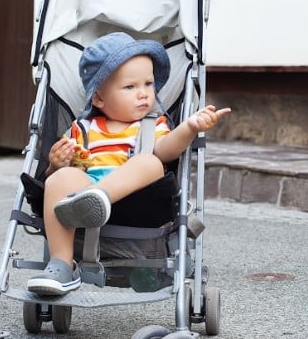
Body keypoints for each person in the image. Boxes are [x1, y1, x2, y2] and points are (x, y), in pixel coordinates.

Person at [27, 32, 230, 296]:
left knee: (151, 162)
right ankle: (62, 265)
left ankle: (98, 197)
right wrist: (56, 164)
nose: (144, 94)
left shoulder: (151, 125)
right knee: (58, 179)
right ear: (99, 98)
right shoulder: (82, 128)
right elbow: (59, 175)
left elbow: (166, 150)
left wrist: (189, 127)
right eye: (130, 87)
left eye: (148, 84)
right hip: (79, 205)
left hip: (137, 203)